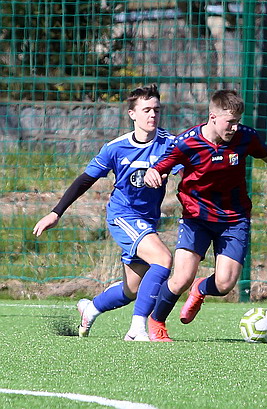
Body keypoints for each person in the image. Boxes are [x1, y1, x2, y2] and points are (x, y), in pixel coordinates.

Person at [143, 89, 267, 341]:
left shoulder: (245, 137)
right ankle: (157, 322)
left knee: (225, 284)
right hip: (196, 218)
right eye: (230, 122)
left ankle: (201, 288)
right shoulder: (187, 142)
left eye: (238, 121)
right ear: (213, 117)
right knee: (181, 278)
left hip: (234, 219)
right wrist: (152, 173)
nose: (235, 127)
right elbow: (159, 167)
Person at [33, 84, 177, 342]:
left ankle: (91, 308)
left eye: (156, 110)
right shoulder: (116, 147)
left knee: (131, 290)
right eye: (146, 110)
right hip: (123, 216)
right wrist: (56, 213)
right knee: (163, 259)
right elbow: (84, 181)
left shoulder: (169, 144)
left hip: (148, 220)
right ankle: (136, 329)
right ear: (132, 114)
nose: (152, 115)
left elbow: (189, 172)